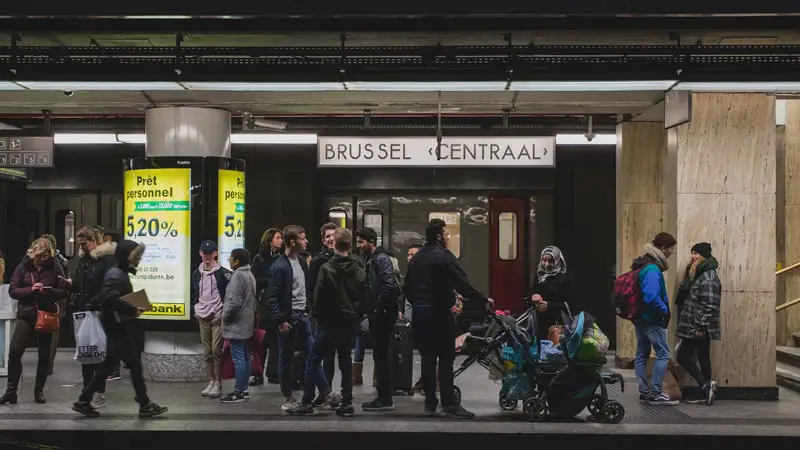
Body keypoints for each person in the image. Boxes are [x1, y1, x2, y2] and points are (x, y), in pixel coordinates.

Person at [404, 219, 493, 419]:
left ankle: (429, 403)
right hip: (439, 315)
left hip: (420, 316)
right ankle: (449, 403)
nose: (447, 237)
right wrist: (482, 300)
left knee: (427, 358)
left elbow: (407, 288)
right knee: (445, 358)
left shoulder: (417, 258)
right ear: (438, 236)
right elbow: (462, 284)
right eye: (446, 234)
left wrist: (419, 304)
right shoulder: (444, 257)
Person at [71, 240, 168, 418]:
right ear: (127, 257)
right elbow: (110, 298)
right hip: (118, 326)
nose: (139, 260)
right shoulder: (117, 274)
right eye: (137, 256)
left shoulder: (117, 272)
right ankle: (144, 404)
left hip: (117, 325)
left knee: (109, 366)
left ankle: (84, 400)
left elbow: (106, 296)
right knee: (134, 365)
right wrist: (132, 309)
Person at [287, 228, 366, 417]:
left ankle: (306, 402)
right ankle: (346, 402)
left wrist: (319, 318)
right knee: (345, 360)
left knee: (313, 360)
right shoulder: (358, 266)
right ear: (350, 245)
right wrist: (356, 314)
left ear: (335, 245)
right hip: (348, 322)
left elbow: (319, 297)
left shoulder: (327, 268)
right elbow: (364, 295)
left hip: (329, 323)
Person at [266, 225, 336, 411]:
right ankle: (288, 396)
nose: (306, 241)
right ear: (292, 242)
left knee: (313, 354)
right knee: (286, 358)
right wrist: (280, 320)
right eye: (302, 238)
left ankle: (326, 392)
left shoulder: (302, 262)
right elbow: (272, 297)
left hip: (303, 317)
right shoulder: (280, 266)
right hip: (289, 319)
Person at [1, 238, 68, 405]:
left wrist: (49, 291)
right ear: (32, 254)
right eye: (38, 256)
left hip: (46, 314)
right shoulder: (23, 267)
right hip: (27, 314)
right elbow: (13, 290)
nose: (41, 260)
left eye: (45, 256)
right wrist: (30, 290)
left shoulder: (55, 267)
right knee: (15, 352)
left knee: (44, 355)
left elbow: (64, 291)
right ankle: (11, 391)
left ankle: (39, 390)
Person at [71, 227, 117, 409]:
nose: (84, 247)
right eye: (81, 245)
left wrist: (95, 301)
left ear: (95, 241)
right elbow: (80, 284)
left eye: (86, 243)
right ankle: (87, 391)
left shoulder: (106, 260)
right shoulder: (84, 261)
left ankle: (97, 392)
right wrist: (71, 285)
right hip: (84, 311)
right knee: (86, 352)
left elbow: (108, 286)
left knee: (99, 353)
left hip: (100, 311)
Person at [355, 227, 399, 412]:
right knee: (380, 355)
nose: (358, 246)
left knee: (381, 356)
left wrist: (376, 308)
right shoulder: (372, 260)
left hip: (382, 314)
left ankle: (385, 398)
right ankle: (383, 397)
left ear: (371, 241)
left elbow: (388, 286)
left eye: (361, 242)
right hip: (380, 313)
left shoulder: (380, 260)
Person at [631, 232, 677, 406]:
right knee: (663, 354)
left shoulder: (641, 265)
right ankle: (656, 393)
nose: (672, 252)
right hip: (651, 318)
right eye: (671, 248)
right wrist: (664, 310)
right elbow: (651, 297)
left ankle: (644, 392)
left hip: (640, 317)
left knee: (641, 354)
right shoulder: (651, 269)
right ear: (663, 248)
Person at [675, 242, 721, 406]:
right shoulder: (699, 274)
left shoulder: (708, 276)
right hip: (694, 326)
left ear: (704, 256)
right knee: (702, 358)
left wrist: (701, 326)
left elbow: (710, 304)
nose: (693, 256)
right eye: (692, 253)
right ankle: (707, 389)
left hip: (698, 327)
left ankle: (706, 386)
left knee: (683, 357)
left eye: (696, 254)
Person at [191, 240, 232, 399]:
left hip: (217, 314)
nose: (207, 256)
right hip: (202, 314)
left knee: (216, 349)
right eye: (204, 253)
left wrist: (223, 313)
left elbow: (228, 295)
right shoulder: (197, 273)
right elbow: (196, 292)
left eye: (210, 253)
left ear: (215, 253)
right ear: (201, 254)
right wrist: (195, 308)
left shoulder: (223, 273)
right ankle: (211, 380)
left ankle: (218, 383)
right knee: (207, 351)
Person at [220, 248, 258, 403]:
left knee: (238, 358)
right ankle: (244, 390)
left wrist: (225, 317)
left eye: (231, 258)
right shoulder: (250, 274)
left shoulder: (238, 276)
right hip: (247, 322)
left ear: (237, 261)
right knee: (245, 356)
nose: (229, 261)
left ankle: (239, 392)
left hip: (236, 324)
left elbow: (234, 303)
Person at [307, 223, 338, 392]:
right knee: (321, 353)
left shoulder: (343, 258)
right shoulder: (318, 261)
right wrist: (312, 308)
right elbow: (310, 286)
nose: (331, 239)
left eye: (334, 235)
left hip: (338, 313)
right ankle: (321, 390)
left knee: (331, 355)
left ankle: (328, 389)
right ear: (323, 240)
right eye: (328, 236)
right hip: (322, 313)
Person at [250, 228, 283, 386]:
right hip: (264, 304)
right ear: (270, 240)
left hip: (277, 303)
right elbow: (255, 280)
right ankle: (258, 372)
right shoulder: (259, 259)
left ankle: (273, 372)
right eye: (277, 238)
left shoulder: (282, 258)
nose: (280, 240)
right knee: (262, 340)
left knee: (276, 340)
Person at [40, 234, 71, 376]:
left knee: (52, 330)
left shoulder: (58, 263)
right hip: (50, 298)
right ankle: (47, 363)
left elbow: (63, 284)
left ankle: (47, 364)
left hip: (55, 299)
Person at [529, 246, 574, 342]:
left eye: (550, 261)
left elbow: (572, 304)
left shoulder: (565, 279)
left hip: (558, 323)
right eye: (544, 260)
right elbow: (530, 296)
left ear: (558, 261)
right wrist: (533, 298)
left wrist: (549, 306)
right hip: (539, 322)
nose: (546, 264)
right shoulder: (539, 277)